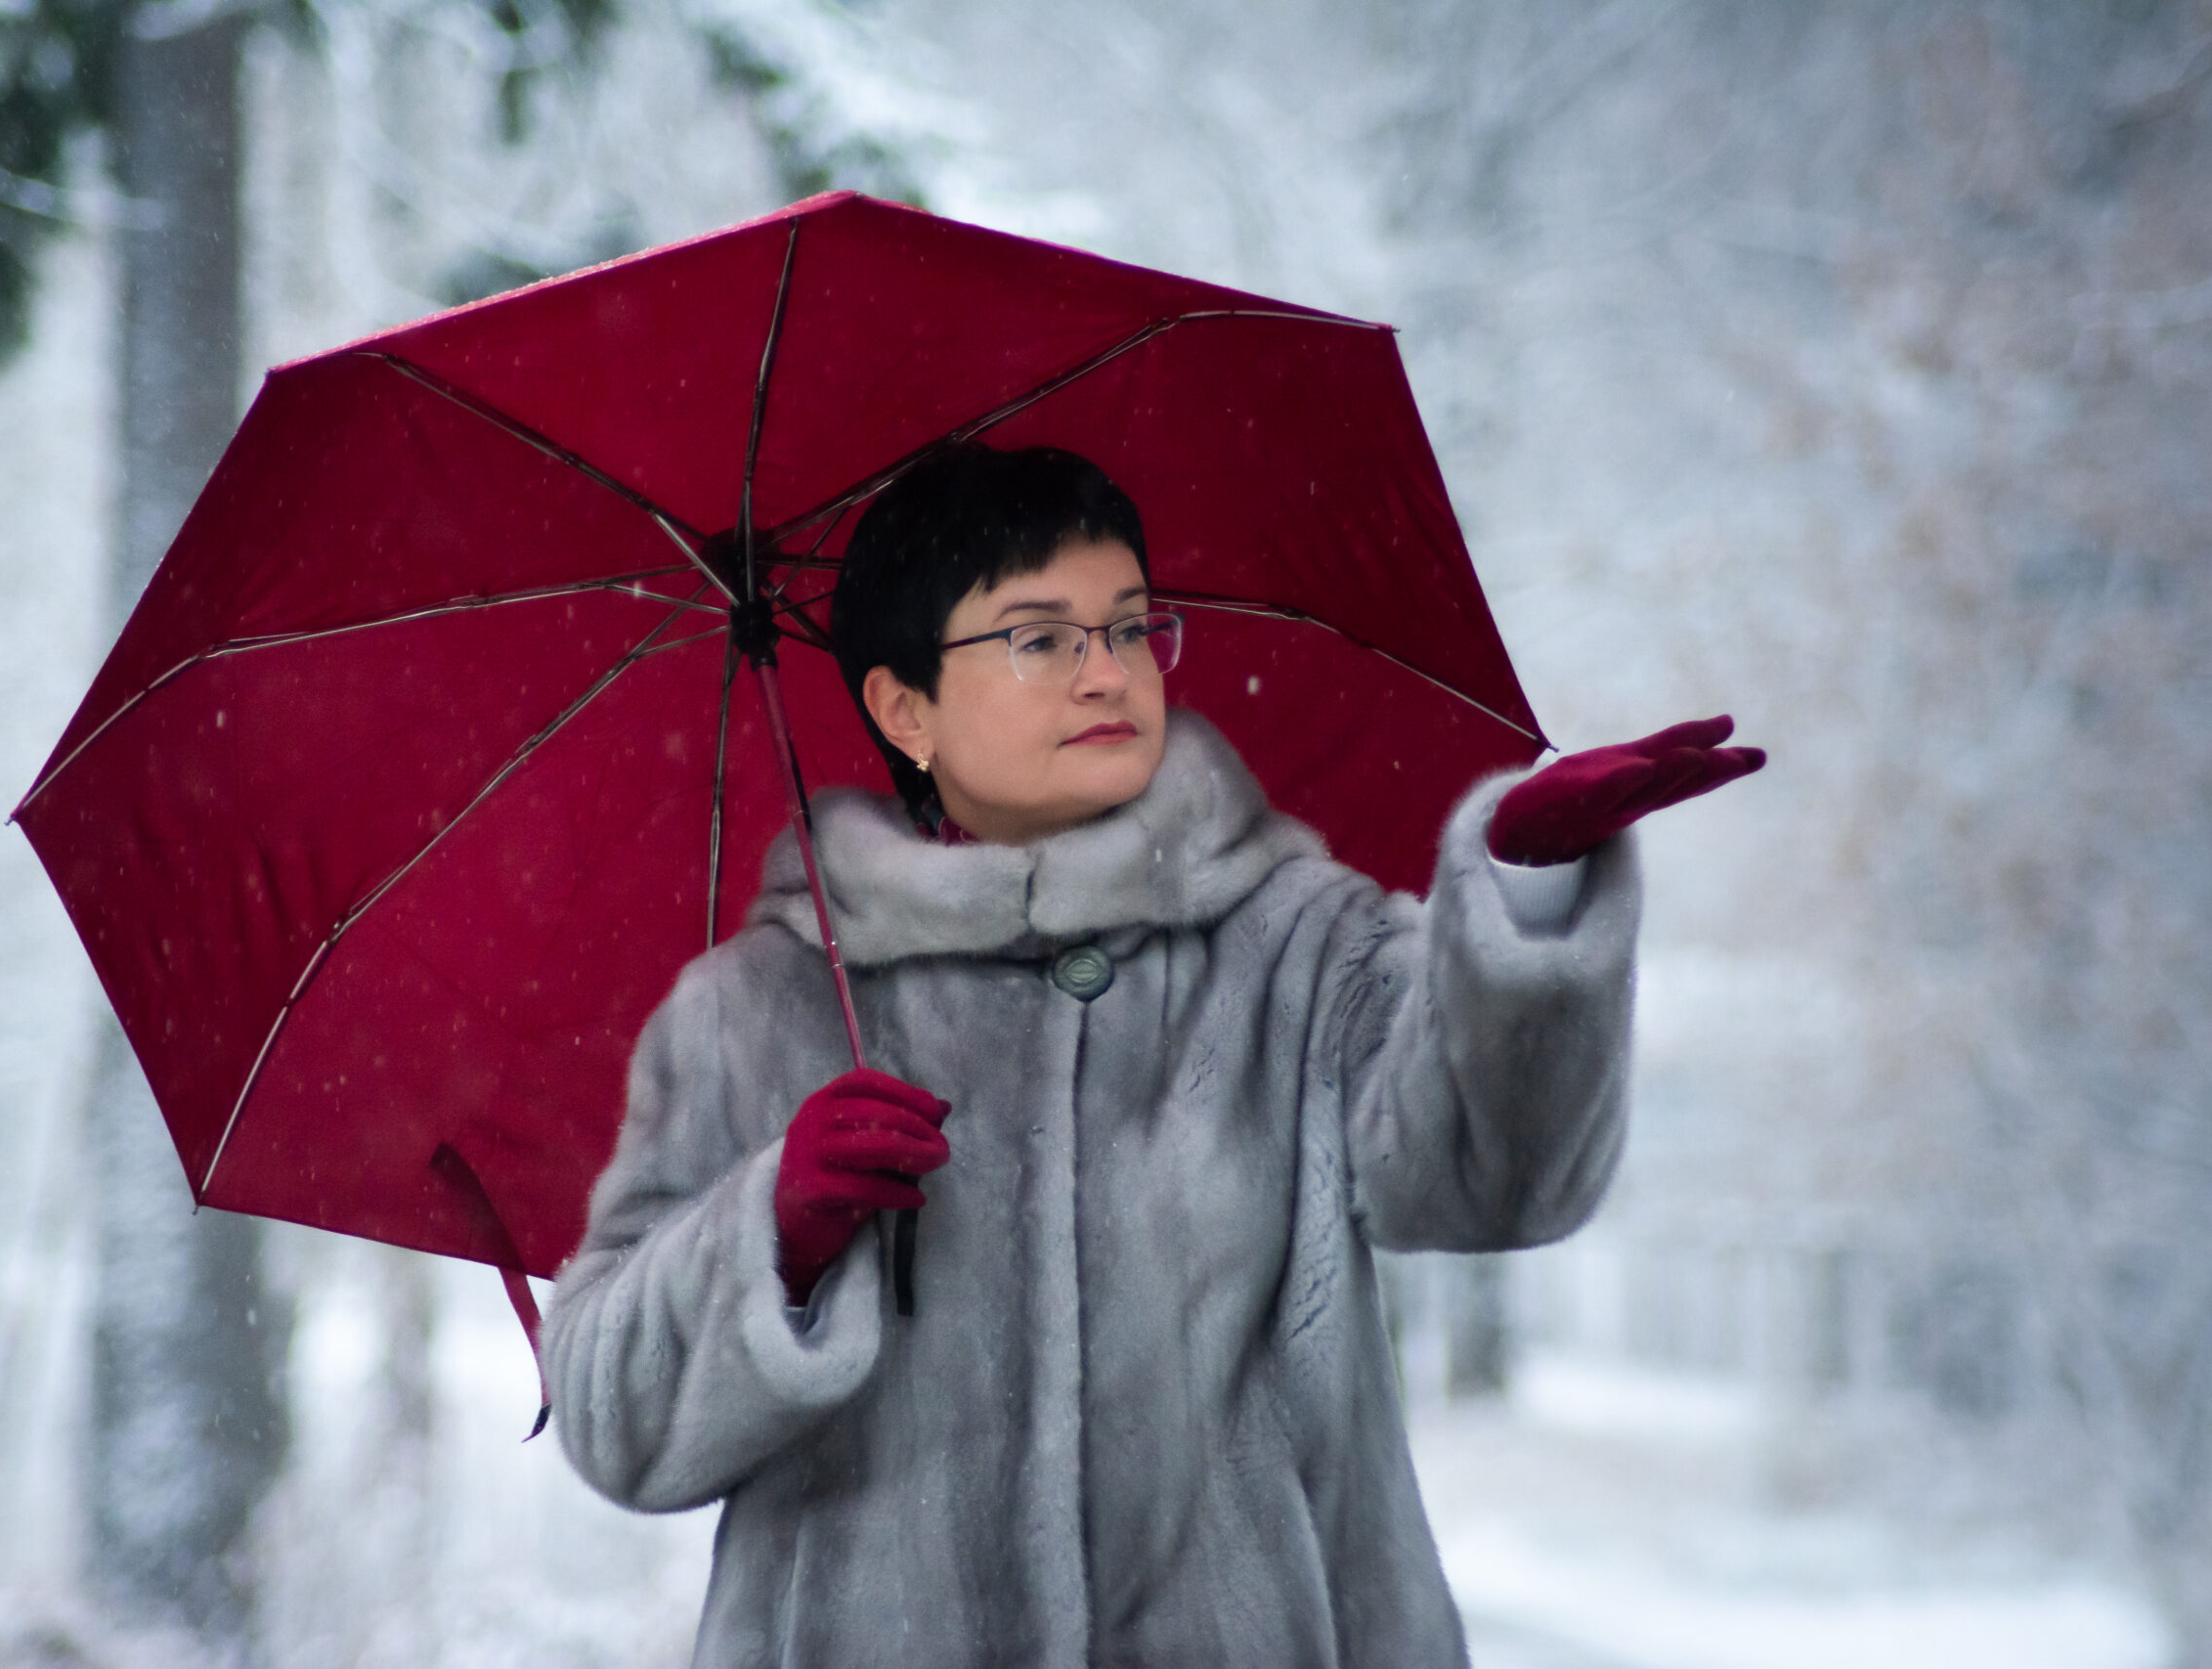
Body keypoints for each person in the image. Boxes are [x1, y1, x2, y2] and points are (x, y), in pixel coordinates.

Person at [544, 444, 1761, 1667]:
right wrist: (773, 1235)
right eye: (1039, 639)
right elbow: (614, 1419)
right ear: (902, 707)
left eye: (1128, 628)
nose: (1105, 674)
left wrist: (1525, 903)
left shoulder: (1296, 948)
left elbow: (1500, 1179)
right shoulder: (754, 1012)